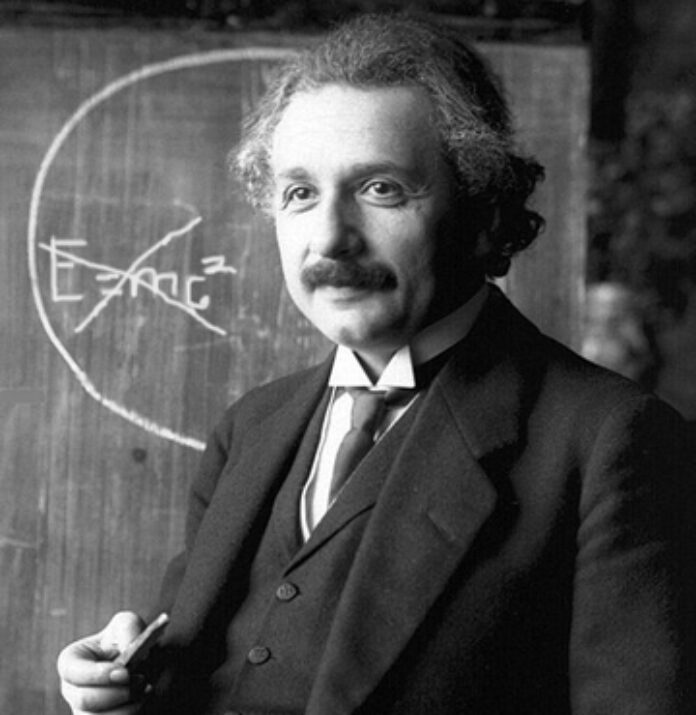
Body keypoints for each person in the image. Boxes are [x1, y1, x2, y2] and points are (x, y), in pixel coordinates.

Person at [57, 13, 695, 715]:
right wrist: (122, 693)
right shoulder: (250, 427)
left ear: (484, 211)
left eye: (381, 188)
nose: (331, 237)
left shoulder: (615, 441)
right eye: (300, 193)